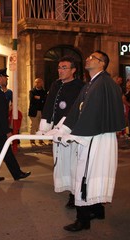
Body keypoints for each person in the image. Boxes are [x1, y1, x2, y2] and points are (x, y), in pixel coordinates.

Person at [51, 51, 125, 231]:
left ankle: (82, 220)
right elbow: (77, 109)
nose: (88, 58)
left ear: (102, 63)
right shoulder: (93, 83)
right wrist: (63, 129)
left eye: (92, 57)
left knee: (84, 175)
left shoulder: (102, 84)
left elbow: (90, 114)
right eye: (88, 56)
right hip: (91, 134)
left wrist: (72, 136)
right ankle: (97, 210)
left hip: (94, 137)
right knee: (91, 175)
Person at [39, 55, 84, 209]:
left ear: (73, 70)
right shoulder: (55, 85)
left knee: (74, 165)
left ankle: (75, 194)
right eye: (59, 67)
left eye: (64, 67)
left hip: (72, 132)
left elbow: (77, 111)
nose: (60, 70)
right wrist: (44, 128)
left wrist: (64, 128)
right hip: (56, 132)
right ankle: (69, 190)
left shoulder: (80, 86)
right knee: (61, 163)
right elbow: (49, 106)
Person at [0, 68, 31, 182]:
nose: (6, 80)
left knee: (0, 153)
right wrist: (7, 131)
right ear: (0, 78)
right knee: (3, 153)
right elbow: (1, 115)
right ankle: (16, 174)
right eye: (5, 78)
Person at [28, 78, 47, 146]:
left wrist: (39, 98)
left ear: (41, 83)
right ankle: (32, 140)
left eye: (38, 82)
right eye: (36, 82)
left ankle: (40, 140)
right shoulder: (32, 91)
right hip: (34, 111)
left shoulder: (44, 91)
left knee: (41, 126)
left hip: (41, 111)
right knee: (34, 126)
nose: (37, 84)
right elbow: (32, 99)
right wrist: (40, 99)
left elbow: (45, 99)